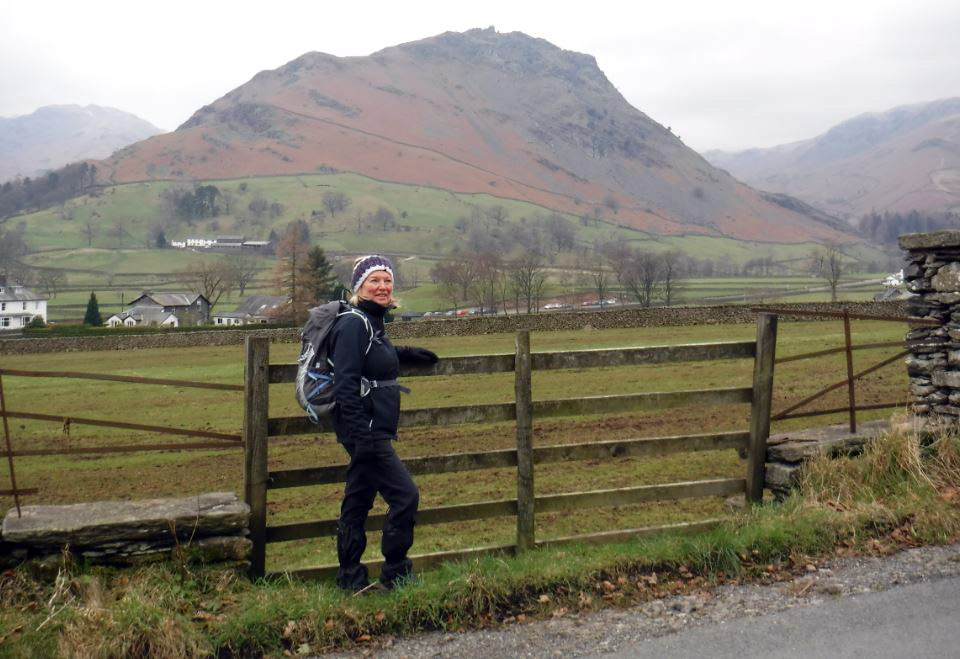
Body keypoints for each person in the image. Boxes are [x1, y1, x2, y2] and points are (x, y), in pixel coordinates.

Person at [330, 254, 438, 592]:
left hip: (370, 427)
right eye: (374, 280)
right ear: (359, 286)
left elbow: (373, 355)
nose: (382, 286)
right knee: (406, 496)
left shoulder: (372, 321)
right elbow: (345, 382)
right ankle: (396, 573)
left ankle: (350, 578)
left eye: (387, 280)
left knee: (359, 498)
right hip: (366, 429)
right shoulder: (352, 322)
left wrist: (405, 353)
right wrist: (362, 436)